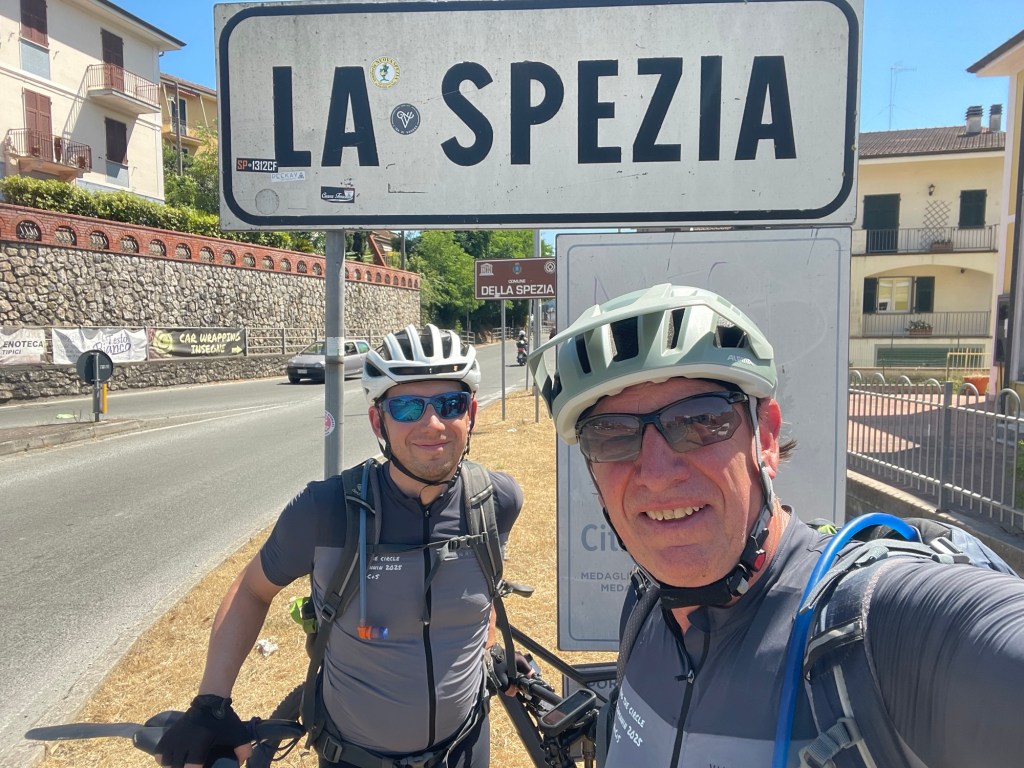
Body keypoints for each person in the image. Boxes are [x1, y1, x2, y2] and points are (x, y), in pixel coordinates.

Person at [528, 283, 1024, 767]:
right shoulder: (645, 608)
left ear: (764, 438)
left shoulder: (875, 631)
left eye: (699, 420)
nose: (657, 474)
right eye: (611, 434)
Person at [155, 324, 523, 768]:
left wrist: (486, 648)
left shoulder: (495, 502)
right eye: (407, 407)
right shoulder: (326, 510)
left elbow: (481, 590)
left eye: (450, 404)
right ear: (378, 421)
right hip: (355, 758)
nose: (432, 424)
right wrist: (211, 703)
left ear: (471, 413)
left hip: (464, 748)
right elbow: (252, 589)